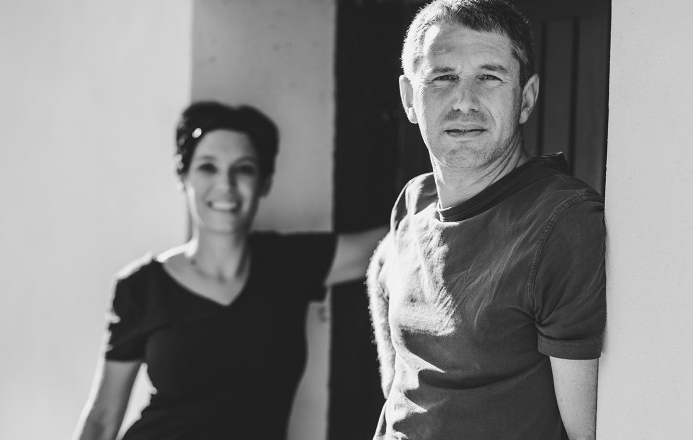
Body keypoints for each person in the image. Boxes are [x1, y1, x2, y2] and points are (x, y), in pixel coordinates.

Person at [74, 102, 386, 440]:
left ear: (264, 182)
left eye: (244, 169)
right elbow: (102, 420)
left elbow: (392, 242)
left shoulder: (288, 264)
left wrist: (447, 185)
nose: (226, 185)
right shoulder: (142, 288)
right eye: (208, 167)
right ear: (184, 177)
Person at [367, 1, 606, 439]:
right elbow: (385, 276)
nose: (464, 101)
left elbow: (585, 432)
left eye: (489, 77)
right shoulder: (414, 200)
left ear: (525, 98)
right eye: (443, 77)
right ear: (409, 98)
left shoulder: (562, 223)